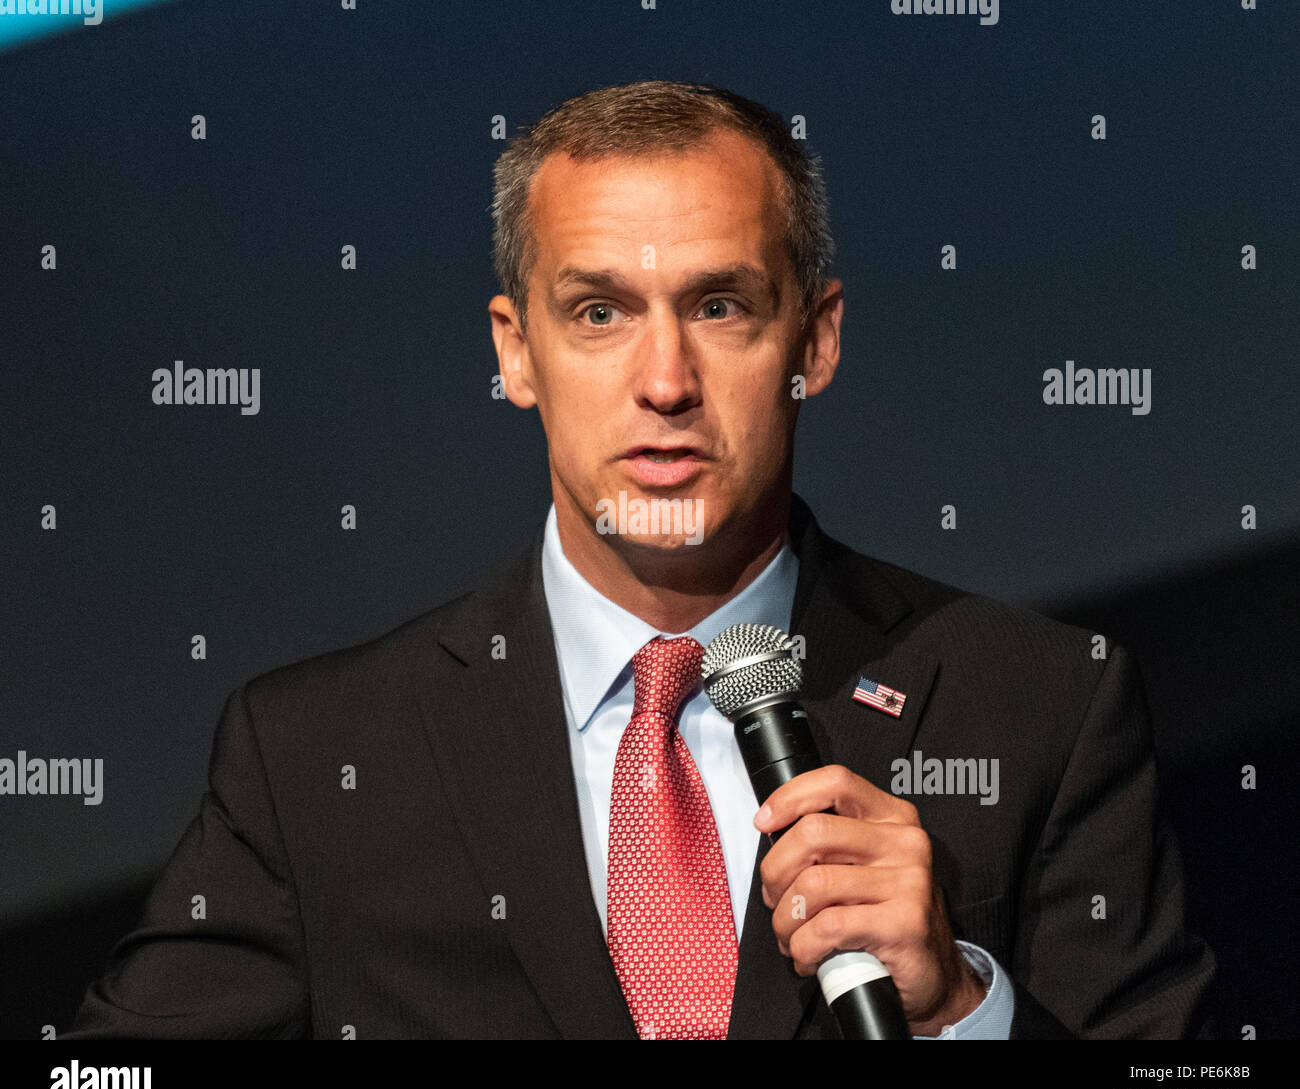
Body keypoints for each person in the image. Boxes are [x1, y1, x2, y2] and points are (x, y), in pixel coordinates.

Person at [64, 80, 1215, 1040]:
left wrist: (966, 1010)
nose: (665, 381)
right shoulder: (315, 754)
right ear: (516, 352)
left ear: (813, 340)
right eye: (600, 312)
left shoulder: (1042, 704)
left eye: (718, 305)